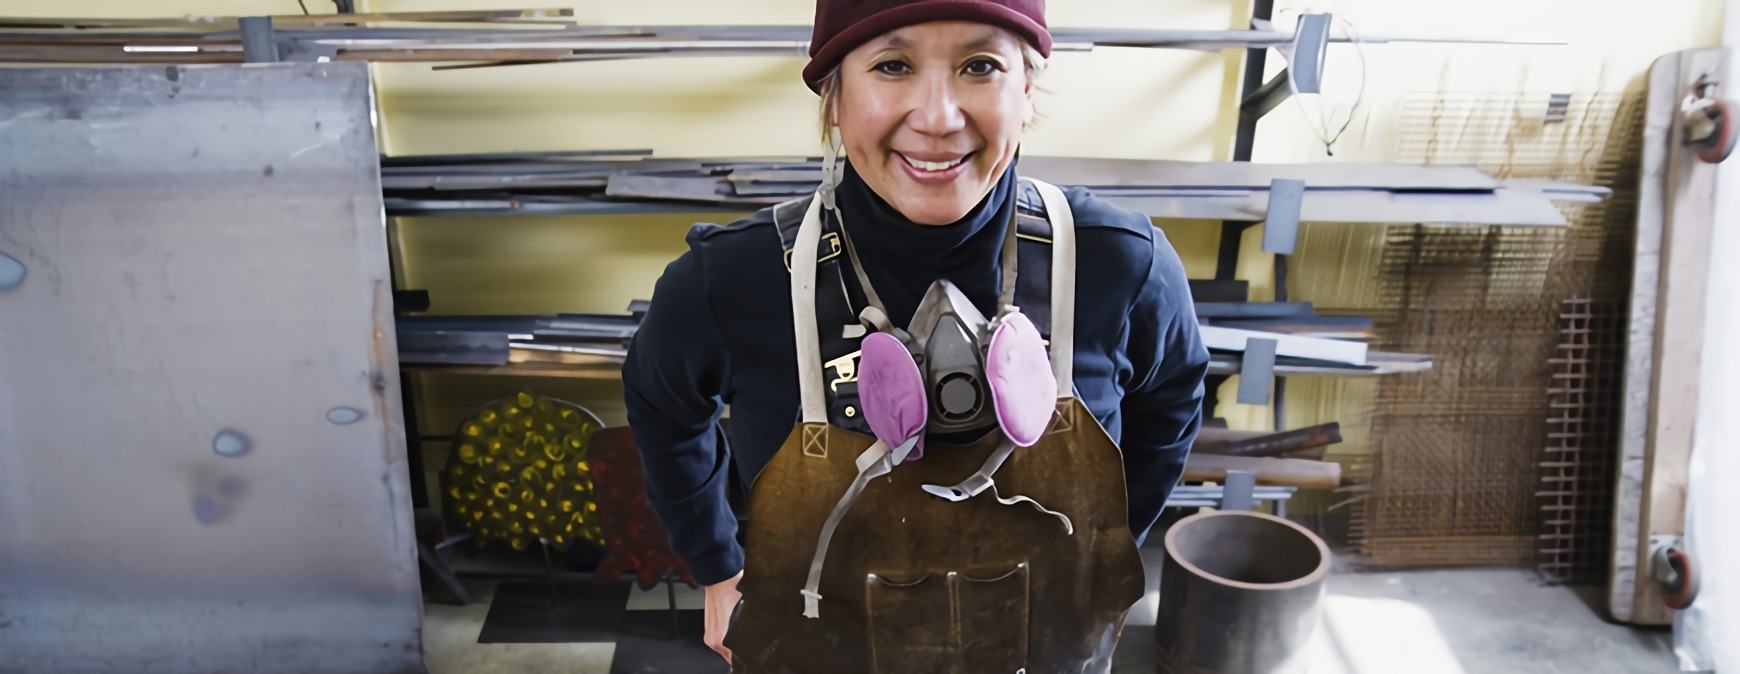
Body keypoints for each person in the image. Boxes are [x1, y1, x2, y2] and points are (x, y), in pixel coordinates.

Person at [622, 1, 1209, 671]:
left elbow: (1174, 397)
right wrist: (717, 562)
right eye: (892, 65)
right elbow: (661, 404)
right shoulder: (733, 281)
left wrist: (1109, 545)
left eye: (980, 65)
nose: (937, 117)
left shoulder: (1118, 265)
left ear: (1027, 89)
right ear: (833, 96)